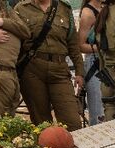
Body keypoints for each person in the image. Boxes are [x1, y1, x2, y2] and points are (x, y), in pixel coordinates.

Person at [14, 0, 84, 129]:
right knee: (41, 123)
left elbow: (73, 43)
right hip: (32, 69)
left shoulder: (64, 8)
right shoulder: (21, 9)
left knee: (72, 121)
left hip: (59, 69)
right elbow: (15, 42)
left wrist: (80, 71)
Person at [78, 0, 104, 125]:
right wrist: (103, 48)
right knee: (98, 110)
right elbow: (81, 45)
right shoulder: (87, 13)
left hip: (107, 61)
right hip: (94, 62)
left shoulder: (105, 7)